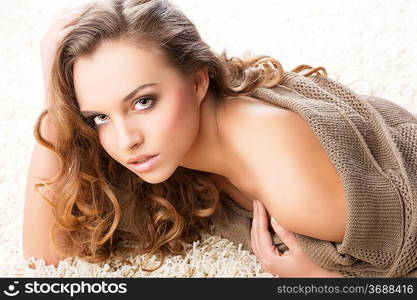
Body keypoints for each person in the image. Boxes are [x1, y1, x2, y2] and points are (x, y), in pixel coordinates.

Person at [23, 0, 415, 278]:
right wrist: (54, 103)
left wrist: (326, 284)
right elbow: (47, 261)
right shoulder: (177, 144)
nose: (126, 140)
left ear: (198, 81)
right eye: (100, 116)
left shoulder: (292, 181)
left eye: (144, 101)